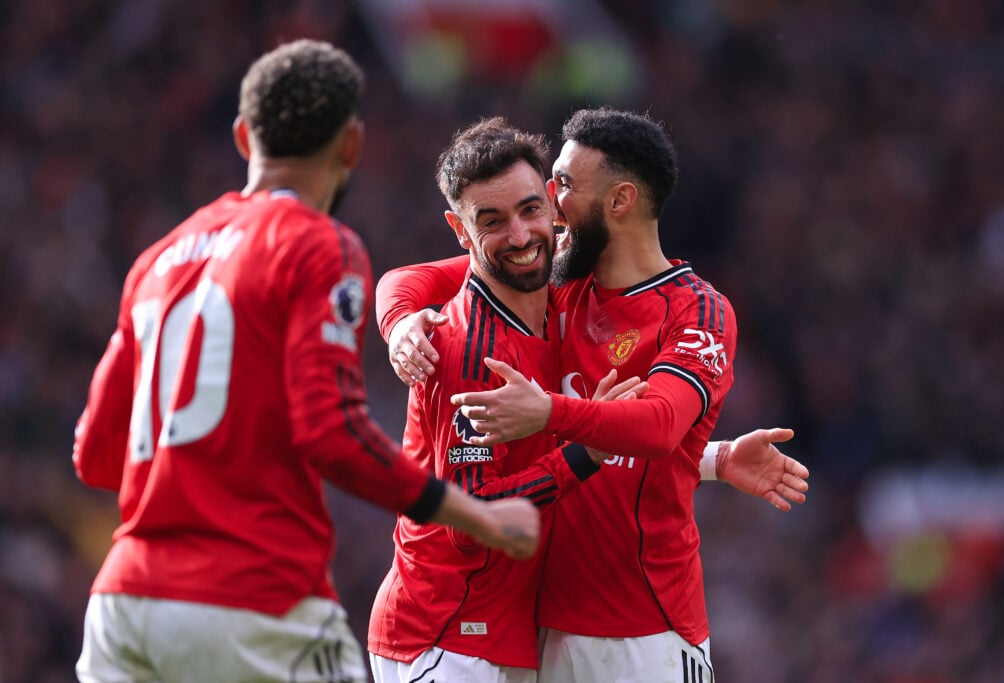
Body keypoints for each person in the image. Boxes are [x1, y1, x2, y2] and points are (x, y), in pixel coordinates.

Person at [71, 40, 540, 683]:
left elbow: (94, 457)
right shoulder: (317, 245)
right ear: (351, 145)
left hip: (123, 609)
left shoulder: (156, 260)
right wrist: (478, 516)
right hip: (256, 602)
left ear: (243, 137)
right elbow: (332, 434)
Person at [376, 108, 810, 682]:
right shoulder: (552, 283)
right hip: (537, 631)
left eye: (562, 186)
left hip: (644, 626)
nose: (549, 203)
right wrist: (399, 321)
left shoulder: (695, 310)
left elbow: (652, 428)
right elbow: (420, 278)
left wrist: (711, 458)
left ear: (619, 201)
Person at [367, 117, 649, 683]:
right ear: (460, 230)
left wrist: (715, 460)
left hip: (502, 635)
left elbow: (409, 277)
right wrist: (581, 455)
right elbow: (471, 521)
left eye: (528, 211)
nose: (519, 237)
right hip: (446, 636)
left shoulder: (554, 296)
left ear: (551, 204)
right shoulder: (467, 350)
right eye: (491, 222)